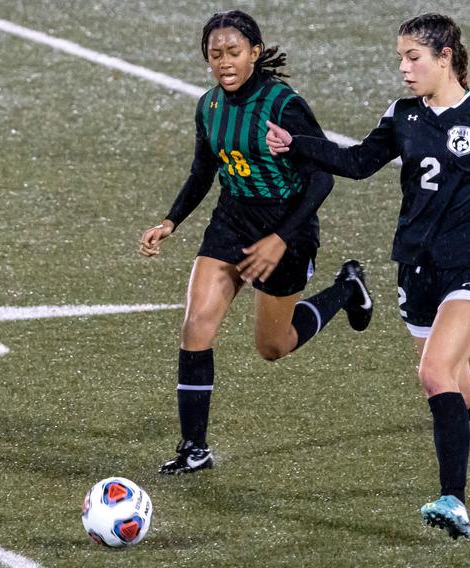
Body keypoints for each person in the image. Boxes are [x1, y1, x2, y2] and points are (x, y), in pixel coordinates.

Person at [266, 13, 470, 539]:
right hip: (415, 272)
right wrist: (298, 144)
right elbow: (359, 162)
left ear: (445, 55)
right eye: (401, 59)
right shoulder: (403, 115)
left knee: (433, 375)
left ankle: (454, 500)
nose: (404, 69)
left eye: (414, 58)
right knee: (458, 386)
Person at [139, 10, 373, 476]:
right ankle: (194, 448)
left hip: (288, 225)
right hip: (232, 220)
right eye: (215, 54)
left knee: (273, 345)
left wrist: (279, 239)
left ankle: (348, 288)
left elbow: (321, 179)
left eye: (233, 52)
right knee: (195, 326)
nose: (224, 62)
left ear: (255, 52)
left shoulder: (283, 105)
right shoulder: (208, 107)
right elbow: (203, 171)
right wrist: (170, 221)